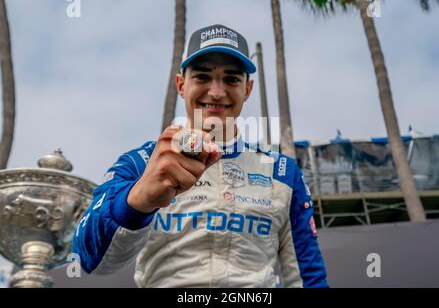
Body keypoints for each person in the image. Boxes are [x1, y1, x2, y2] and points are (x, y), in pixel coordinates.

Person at [72, 24, 328, 288]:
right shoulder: (141, 162)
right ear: (181, 84)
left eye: (231, 79)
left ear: (247, 89)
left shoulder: (282, 171)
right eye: (203, 77)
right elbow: (89, 258)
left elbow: (308, 278)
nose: (216, 92)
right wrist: (138, 200)